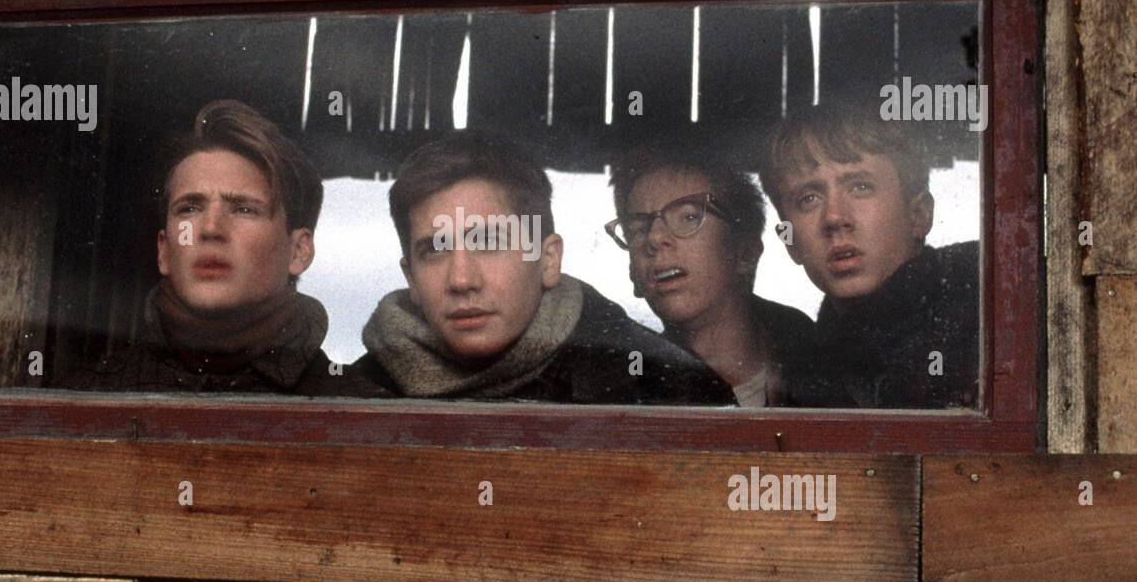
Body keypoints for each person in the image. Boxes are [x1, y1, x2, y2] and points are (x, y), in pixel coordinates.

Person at [353, 130, 736, 404]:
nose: (461, 280)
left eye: (487, 242)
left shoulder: (671, 390)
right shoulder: (352, 395)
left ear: (548, 260)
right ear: (412, 280)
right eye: (435, 250)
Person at [69, 100, 384, 396]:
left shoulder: (362, 411)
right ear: (164, 250)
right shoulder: (81, 400)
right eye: (189, 208)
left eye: (244, 209)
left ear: (298, 251)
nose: (210, 229)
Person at [757, 103, 979, 409]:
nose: (834, 217)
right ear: (789, 241)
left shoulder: (990, 315)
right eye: (808, 198)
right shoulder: (801, 372)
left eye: (860, 187)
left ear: (919, 215)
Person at [607, 146, 839, 407]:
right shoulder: (629, 394)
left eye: (689, 217)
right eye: (639, 229)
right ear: (633, 275)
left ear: (745, 253)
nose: (655, 238)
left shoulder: (824, 363)